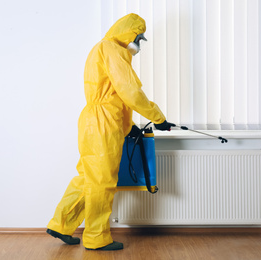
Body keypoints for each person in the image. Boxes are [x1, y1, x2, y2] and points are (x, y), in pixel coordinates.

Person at [46, 13, 175, 251]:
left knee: (87, 176)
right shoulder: (112, 50)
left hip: (92, 121)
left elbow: (115, 94)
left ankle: (61, 223)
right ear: (129, 33)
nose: (139, 43)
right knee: (102, 182)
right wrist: (158, 118)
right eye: (139, 37)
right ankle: (97, 237)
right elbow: (129, 91)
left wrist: (131, 126)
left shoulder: (102, 49)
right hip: (104, 123)